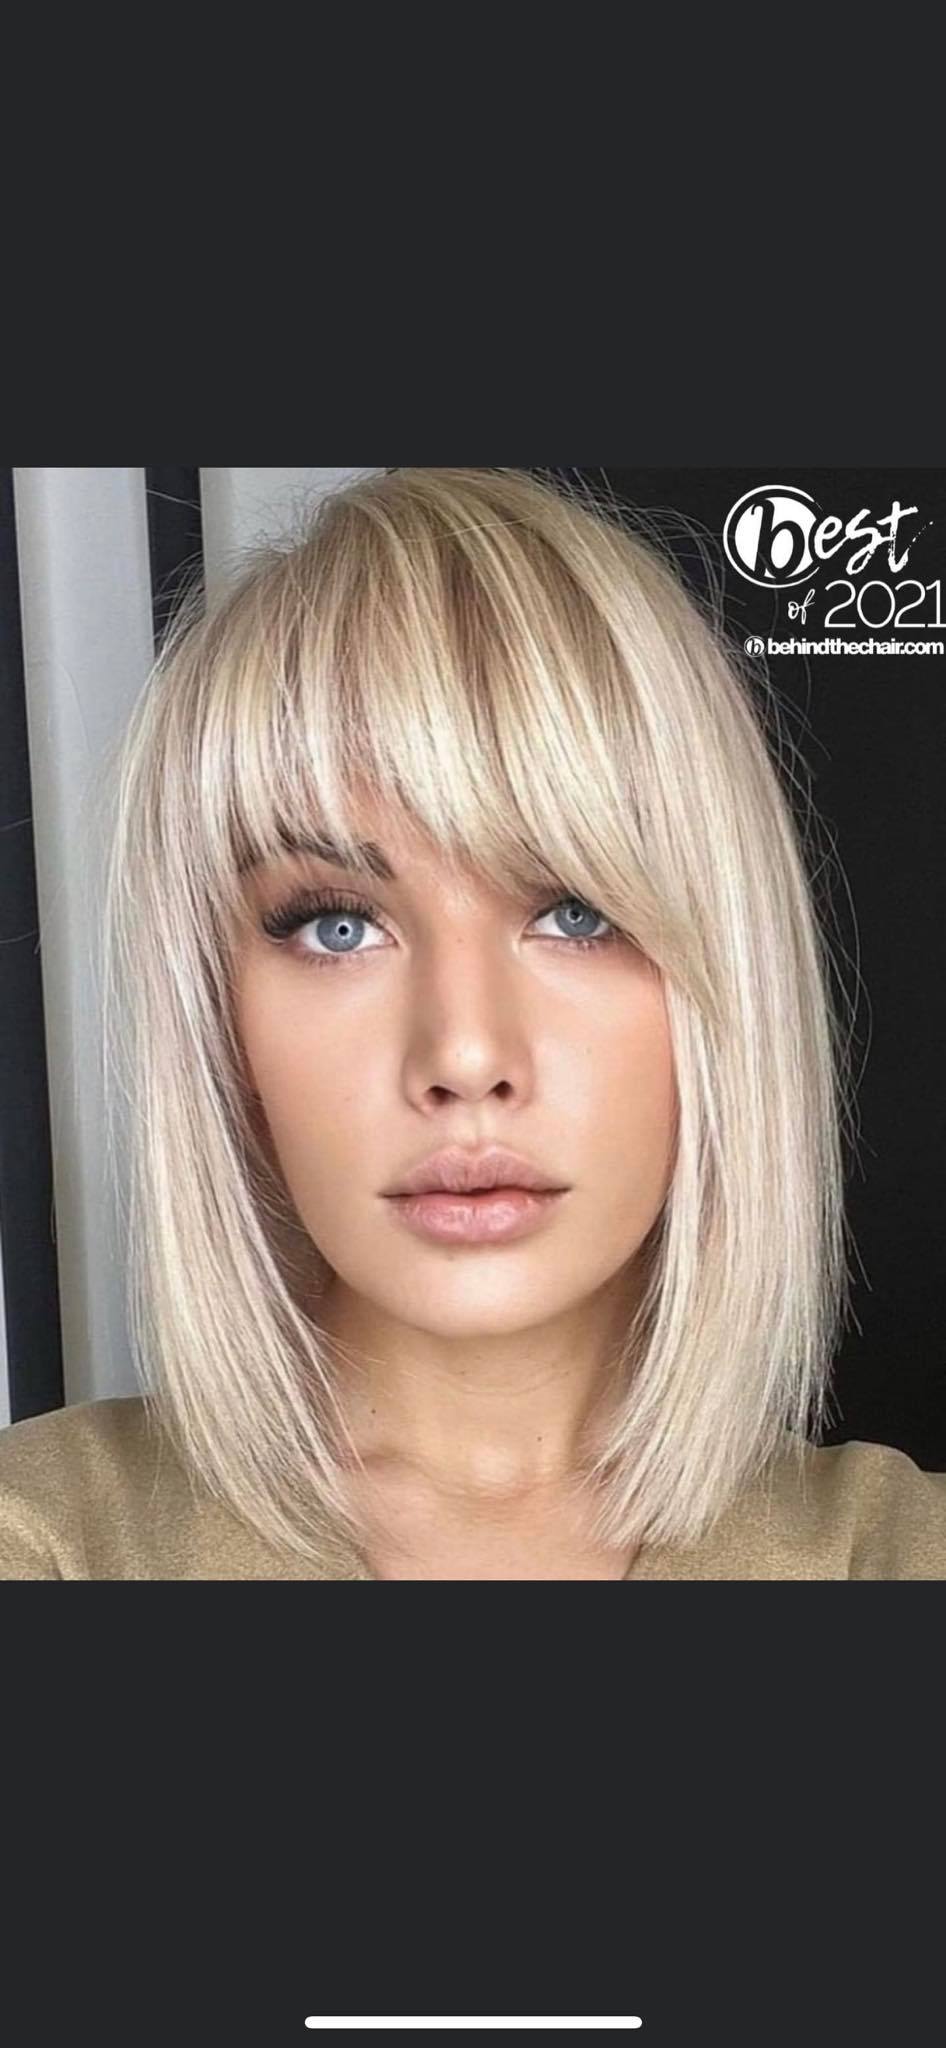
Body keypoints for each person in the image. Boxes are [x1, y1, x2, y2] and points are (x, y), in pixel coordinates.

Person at [1, 465, 944, 1579]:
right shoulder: (51, 1540)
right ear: (220, 1014)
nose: (463, 1054)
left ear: (723, 977)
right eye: (338, 926)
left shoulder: (893, 1552)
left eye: (577, 911)